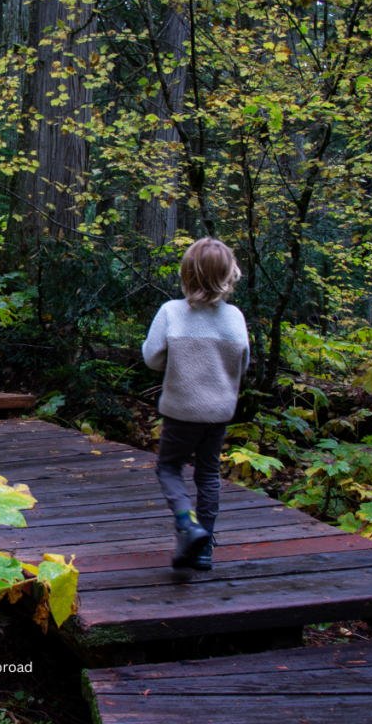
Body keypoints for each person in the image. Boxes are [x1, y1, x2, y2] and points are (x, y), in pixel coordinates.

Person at [142, 238, 250, 571]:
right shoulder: (234, 318)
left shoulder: (172, 312)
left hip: (181, 410)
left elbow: (152, 359)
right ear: (228, 275)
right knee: (208, 474)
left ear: (187, 274)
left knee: (169, 467)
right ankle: (204, 550)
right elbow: (241, 364)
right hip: (218, 412)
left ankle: (187, 525)